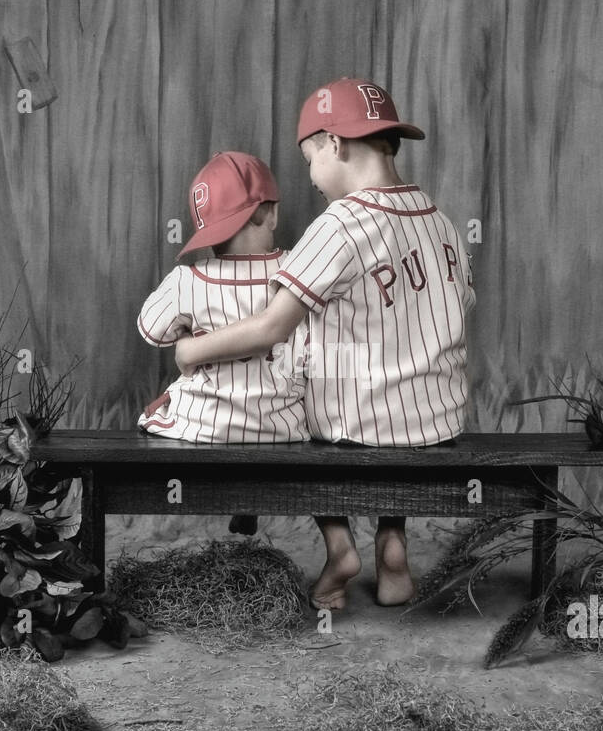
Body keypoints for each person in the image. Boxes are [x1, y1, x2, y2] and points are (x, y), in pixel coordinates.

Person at [176, 78, 475, 610]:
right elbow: (457, 307)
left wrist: (192, 351)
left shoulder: (338, 225)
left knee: (291, 408)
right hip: (439, 421)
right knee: (394, 382)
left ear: (335, 144)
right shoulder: (442, 221)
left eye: (310, 157)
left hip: (354, 427)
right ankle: (392, 540)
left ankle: (341, 547)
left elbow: (272, 328)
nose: (310, 175)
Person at [137, 151, 307, 445]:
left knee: (155, 411)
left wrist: (187, 340)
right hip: (284, 428)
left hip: (201, 427)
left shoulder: (187, 279)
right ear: (270, 213)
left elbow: (152, 329)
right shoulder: (301, 266)